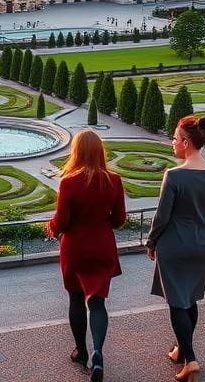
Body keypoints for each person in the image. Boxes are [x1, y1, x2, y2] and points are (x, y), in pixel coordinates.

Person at [146, 116, 205, 382]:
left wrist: (151, 241)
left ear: (185, 142)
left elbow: (161, 217)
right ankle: (182, 349)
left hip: (175, 245)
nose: (172, 142)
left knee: (177, 302)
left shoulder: (174, 175)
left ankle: (190, 360)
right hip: (203, 245)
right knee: (189, 298)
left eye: (174, 138)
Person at [46, 130, 127, 382]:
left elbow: (62, 221)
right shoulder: (114, 180)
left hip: (76, 248)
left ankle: (81, 351)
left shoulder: (69, 182)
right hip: (102, 245)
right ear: (100, 152)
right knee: (98, 302)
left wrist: (51, 227)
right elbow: (119, 220)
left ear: (77, 152)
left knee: (75, 299)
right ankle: (98, 353)